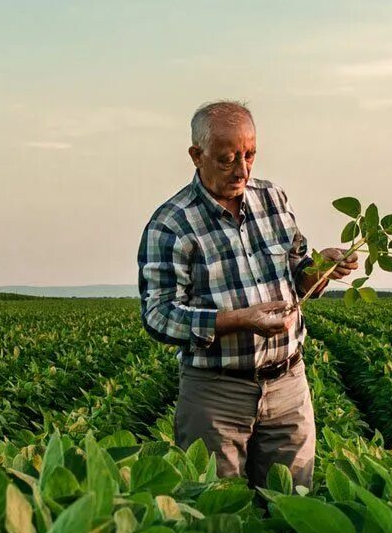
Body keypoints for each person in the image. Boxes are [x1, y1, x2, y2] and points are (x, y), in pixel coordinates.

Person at [136, 101, 358, 488]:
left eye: (249, 155)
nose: (242, 169)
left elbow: (297, 272)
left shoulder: (273, 199)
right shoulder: (171, 224)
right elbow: (158, 315)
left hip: (288, 385)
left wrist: (320, 269)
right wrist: (240, 319)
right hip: (215, 395)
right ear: (196, 155)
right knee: (219, 511)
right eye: (227, 159)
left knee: (293, 508)